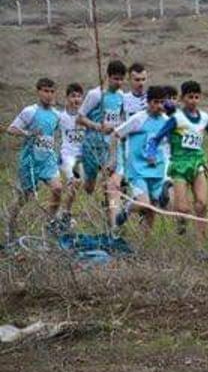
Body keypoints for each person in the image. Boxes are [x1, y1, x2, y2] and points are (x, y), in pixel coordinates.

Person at [146, 80, 208, 247]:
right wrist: (151, 154)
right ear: (183, 98)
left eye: (197, 97)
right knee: (183, 209)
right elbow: (156, 138)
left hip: (197, 162)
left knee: (202, 204)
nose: (194, 101)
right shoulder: (176, 118)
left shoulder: (204, 117)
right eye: (190, 97)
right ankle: (181, 221)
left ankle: (201, 240)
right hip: (180, 164)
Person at [5, 77, 63, 243]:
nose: (49, 95)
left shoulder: (56, 115)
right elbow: (11, 129)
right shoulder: (29, 111)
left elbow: (54, 135)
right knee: (24, 197)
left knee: (58, 189)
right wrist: (28, 133)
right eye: (45, 91)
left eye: (52, 91)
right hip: (30, 162)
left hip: (48, 161)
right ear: (38, 92)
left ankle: (50, 225)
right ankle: (10, 228)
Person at [110, 85, 170, 228]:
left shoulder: (167, 122)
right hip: (137, 170)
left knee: (152, 208)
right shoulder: (138, 119)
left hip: (157, 171)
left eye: (162, 102)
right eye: (155, 102)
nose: (159, 106)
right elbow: (115, 135)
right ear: (148, 102)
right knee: (144, 203)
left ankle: (146, 244)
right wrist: (113, 159)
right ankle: (126, 209)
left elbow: (169, 146)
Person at [77, 60, 126, 223]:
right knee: (90, 188)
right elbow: (80, 118)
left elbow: (121, 120)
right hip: (92, 144)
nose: (118, 83)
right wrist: (98, 126)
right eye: (115, 79)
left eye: (121, 79)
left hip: (111, 147)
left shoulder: (121, 96)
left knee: (110, 185)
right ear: (107, 76)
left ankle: (112, 223)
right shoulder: (95, 94)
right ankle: (83, 173)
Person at [109, 62, 149, 207]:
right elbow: (116, 123)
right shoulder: (123, 99)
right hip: (125, 147)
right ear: (130, 80)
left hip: (145, 149)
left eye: (143, 79)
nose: (141, 83)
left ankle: (133, 211)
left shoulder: (151, 100)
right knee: (117, 183)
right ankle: (113, 214)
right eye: (137, 80)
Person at [57, 82, 85, 227]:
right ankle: (64, 214)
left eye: (79, 96)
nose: (76, 99)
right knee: (74, 182)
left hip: (81, 158)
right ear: (67, 98)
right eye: (73, 96)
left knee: (76, 186)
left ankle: (64, 212)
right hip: (66, 156)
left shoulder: (85, 117)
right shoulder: (61, 117)